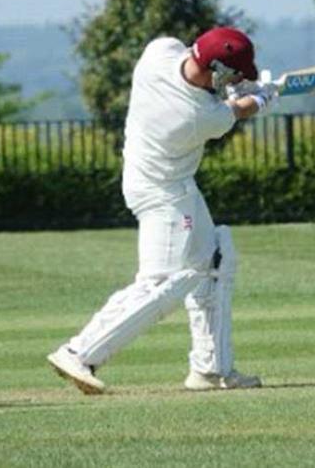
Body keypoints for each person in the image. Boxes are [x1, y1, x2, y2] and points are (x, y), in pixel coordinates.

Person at [47, 26, 281, 394]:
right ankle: (79, 352)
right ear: (218, 70)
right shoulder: (195, 116)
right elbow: (235, 111)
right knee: (162, 282)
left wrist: (234, 85)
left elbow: (215, 90)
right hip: (163, 195)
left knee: (214, 261)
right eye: (234, 72)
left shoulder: (159, 53)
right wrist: (263, 97)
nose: (236, 79)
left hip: (166, 182)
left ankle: (211, 370)